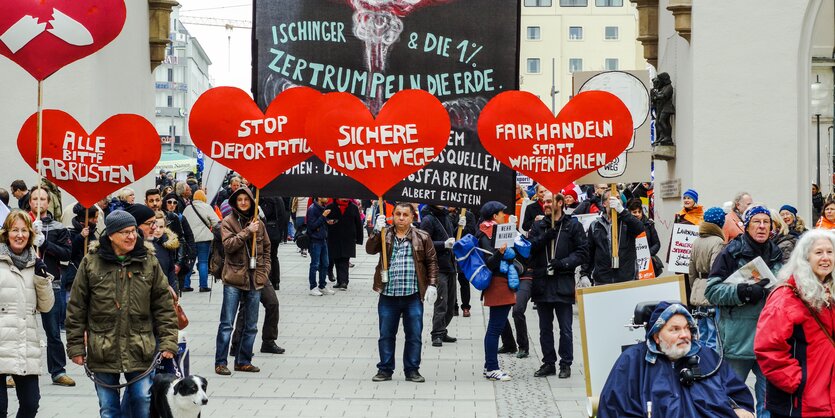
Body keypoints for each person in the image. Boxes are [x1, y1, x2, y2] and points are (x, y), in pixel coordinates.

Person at [65, 210, 178, 417]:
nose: (132, 236)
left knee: (143, 399)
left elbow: (163, 305)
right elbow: (76, 307)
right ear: (111, 235)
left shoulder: (148, 261)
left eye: (133, 231)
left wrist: (169, 342)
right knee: (108, 408)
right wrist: (75, 347)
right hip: (103, 347)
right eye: (125, 232)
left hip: (140, 345)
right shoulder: (91, 262)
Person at [597, 302, 755, 417]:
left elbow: (738, 395)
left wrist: (740, 410)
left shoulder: (707, 358)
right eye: (675, 329)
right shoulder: (632, 361)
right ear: (656, 336)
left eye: (687, 328)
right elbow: (613, 409)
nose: (685, 335)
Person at [705, 205, 783, 418]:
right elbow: (711, 291)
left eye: (766, 222)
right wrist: (743, 292)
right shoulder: (730, 252)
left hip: (770, 339)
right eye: (756, 222)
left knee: (769, 402)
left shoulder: (777, 253)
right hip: (737, 341)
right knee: (735, 401)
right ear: (746, 226)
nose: (761, 226)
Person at [755, 229, 835, 417]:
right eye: (818, 252)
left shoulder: (830, 292)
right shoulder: (785, 297)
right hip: (800, 402)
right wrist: (798, 382)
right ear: (805, 257)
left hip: (827, 397)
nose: (825, 258)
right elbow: (767, 349)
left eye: (830, 252)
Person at [367, 202, 438, 383]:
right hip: (388, 295)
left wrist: (432, 284)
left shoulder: (422, 236)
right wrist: (376, 231)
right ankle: (385, 369)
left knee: (414, 335)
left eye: (405, 214)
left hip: (412, 295)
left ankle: (412, 370)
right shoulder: (385, 234)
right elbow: (370, 249)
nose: (400, 218)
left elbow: (431, 261)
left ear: (413, 217)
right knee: (386, 334)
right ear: (392, 215)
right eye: (397, 214)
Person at [0, 210, 55, 417]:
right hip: (1, 340)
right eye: (15, 230)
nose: (20, 235)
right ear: (6, 233)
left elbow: (47, 306)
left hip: (25, 343)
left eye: (24, 230)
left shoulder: (36, 264)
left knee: (31, 404)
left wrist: (42, 280)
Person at [528, 192, 588, 378]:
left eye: (549, 201)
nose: (545, 204)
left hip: (563, 282)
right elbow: (529, 249)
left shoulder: (573, 225)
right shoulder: (538, 225)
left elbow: (582, 252)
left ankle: (566, 363)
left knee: (566, 328)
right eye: (544, 201)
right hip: (542, 283)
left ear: (560, 203)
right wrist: (546, 237)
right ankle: (548, 362)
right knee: (544, 328)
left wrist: (564, 263)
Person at [214, 187, 271, 376]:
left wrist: (265, 271)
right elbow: (229, 246)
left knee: (251, 324)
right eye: (240, 200)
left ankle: (244, 360)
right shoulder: (228, 222)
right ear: (235, 202)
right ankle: (221, 362)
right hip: (234, 278)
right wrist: (248, 231)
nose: (244, 203)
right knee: (227, 323)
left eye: (247, 199)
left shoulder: (259, 223)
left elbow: (267, 249)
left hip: (255, 279)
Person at [27, 187, 75, 387]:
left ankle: (58, 370)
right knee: (24, 329)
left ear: (49, 202)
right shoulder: (21, 223)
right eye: (35, 198)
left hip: (50, 282)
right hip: (25, 281)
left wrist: (45, 243)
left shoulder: (58, 227)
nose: (39, 202)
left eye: (43, 199)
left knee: (53, 331)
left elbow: (66, 254)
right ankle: (13, 370)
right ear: (30, 201)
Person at [476, 201, 518, 382]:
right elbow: (490, 262)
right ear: (494, 216)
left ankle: (489, 365)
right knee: (495, 328)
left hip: (502, 283)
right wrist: (501, 252)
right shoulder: (487, 233)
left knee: (496, 326)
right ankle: (492, 367)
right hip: (498, 284)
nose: (504, 216)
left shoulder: (492, 231)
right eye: (502, 214)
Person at [581, 189, 644, 284]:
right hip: (602, 280)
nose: (616, 201)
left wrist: (622, 211)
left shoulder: (627, 222)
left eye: (618, 198)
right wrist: (584, 274)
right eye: (612, 199)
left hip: (626, 278)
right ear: (604, 204)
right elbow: (590, 251)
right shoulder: (595, 225)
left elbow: (639, 228)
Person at [418, 204, 458, 347]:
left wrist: (461, 227)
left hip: (450, 265)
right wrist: (443, 245)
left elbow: (452, 237)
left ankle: (442, 329)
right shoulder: (428, 219)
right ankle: (437, 333)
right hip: (438, 267)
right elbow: (423, 242)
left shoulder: (446, 216)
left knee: (451, 303)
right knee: (441, 301)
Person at [688, 206, 726, 350]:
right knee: (712, 331)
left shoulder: (697, 241)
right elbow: (715, 268)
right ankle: (711, 363)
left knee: (702, 330)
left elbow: (691, 269)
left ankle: (702, 360)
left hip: (699, 286)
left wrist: (695, 287)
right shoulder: (717, 241)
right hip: (711, 288)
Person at [182, 190, 220, 292]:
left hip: (190, 240)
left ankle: (185, 285)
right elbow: (216, 222)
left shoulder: (187, 208)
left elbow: (183, 223)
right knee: (203, 262)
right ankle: (203, 286)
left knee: (190, 261)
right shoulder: (207, 207)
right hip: (204, 239)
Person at [326, 198, 364, 290]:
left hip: (348, 238)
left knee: (344, 260)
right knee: (337, 259)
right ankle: (339, 281)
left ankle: (344, 282)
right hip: (334, 237)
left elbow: (358, 224)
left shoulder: (353, 207)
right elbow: (325, 221)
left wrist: (359, 239)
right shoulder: (330, 207)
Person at [162, 191, 196, 292]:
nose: (172, 205)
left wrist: (191, 253)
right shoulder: (160, 217)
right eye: (169, 202)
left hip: (177, 257)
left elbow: (187, 236)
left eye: (175, 202)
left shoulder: (180, 218)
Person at [306, 197, 335, 296]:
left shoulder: (322, 208)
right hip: (315, 240)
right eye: (325, 196)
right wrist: (323, 216)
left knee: (325, 263)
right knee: (315, 264)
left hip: (322, 239)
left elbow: (320, 222)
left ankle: (322, 285)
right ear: (319, 197)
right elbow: (312, 226)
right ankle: (313, 287)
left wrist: (327, 221)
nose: (327, 199)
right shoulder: (312, 209)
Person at [450, 206, 476, 317]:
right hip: (450, 251)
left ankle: (466, 306)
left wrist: (464, 228)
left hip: (463, 252)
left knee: (464, 280)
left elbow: (472, 232)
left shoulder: (468, 215)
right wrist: (458, 228)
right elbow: (450, 233)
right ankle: (453, 307)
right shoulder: (447, 215)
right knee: (451, 282)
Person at [628, 198, 661, 274]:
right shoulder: (625, 225)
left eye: (639, 212)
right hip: (630, 263)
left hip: (646, 262)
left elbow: (657, 244)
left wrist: (646, 253)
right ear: (629, 212)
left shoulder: (649, 224)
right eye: (634, 212)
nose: (637, 214)